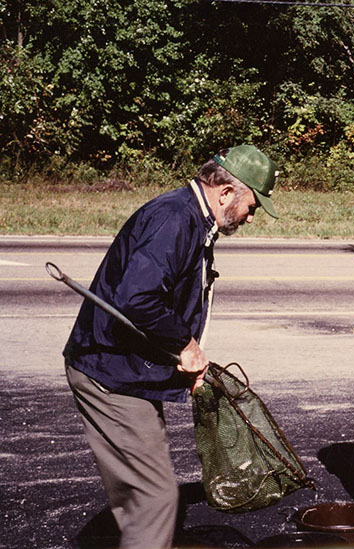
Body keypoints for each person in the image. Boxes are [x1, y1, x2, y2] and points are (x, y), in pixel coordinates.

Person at [62, 145, 279, 548]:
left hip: (118, 368)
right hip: (111, 374)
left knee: (139, 498)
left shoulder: (191, 217)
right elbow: (138, 298)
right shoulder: (175, 219)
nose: (251, 217)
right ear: (227, 192)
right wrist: (185, 345)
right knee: (156, 498)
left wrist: (182, 356)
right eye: (252, 206)